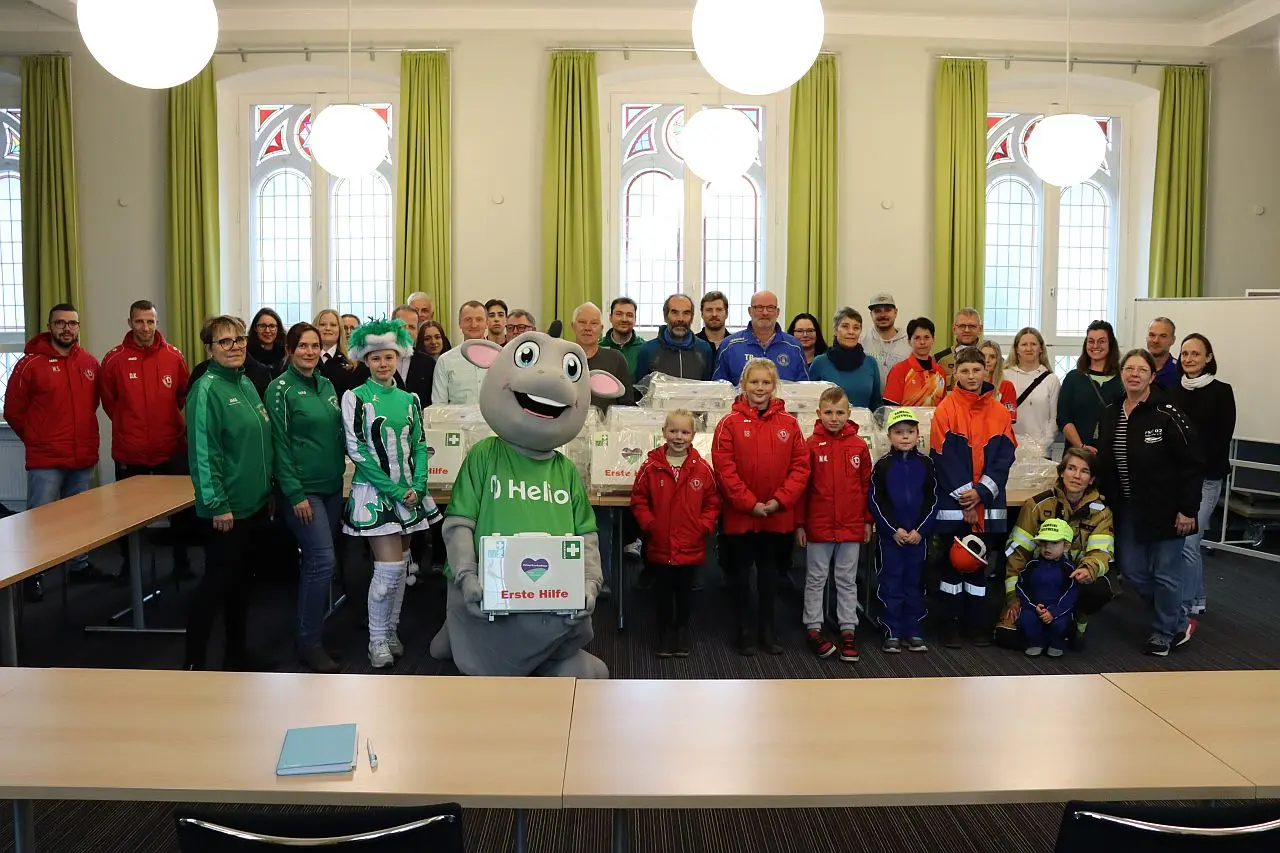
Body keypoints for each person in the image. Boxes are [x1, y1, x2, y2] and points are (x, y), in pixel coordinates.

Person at [427, 332, 624, 678]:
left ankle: (493, 649)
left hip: (550, 598)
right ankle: (460, 637)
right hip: (490, 596)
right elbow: (459, 523)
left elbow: (586, 536)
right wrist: (466, 574)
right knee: (479, 644)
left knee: (590, 672)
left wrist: (590, 583)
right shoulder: (484, 455)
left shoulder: (565, 470)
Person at [342, 318, 443, 668]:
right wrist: (395, 490)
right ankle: (376, 639)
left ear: (398, 357)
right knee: (388, 570)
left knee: (400, 569)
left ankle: (391, 630)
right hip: (376, 494)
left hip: (410, 495)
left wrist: (418, 485)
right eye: (376, 358)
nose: (383, 364)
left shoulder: (409, 399)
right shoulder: (355, 398)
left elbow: (420, 444)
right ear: (365, 360)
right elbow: (357, 450)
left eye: (389, 357)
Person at [1097, 349, 1204, 657]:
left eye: (1141, 370)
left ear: (1152, 376)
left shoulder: (1167, 413)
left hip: (1167, 509)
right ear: (1121, 374)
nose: (1134, 374)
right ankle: (1178, 618)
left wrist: (1188, 509)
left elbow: (1192, 464)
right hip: (1127, 508)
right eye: (1129, 369)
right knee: (1131, 571)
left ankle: (1164, 632)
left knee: (1166, 575)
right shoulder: (1111, 411)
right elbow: (1105, 459)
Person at [184, 315, 273, 671]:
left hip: (254, 504)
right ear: (210, 349)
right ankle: (193, 663)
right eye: (225, 341)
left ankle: (236, 656)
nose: (234, 346)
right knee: (215, 587)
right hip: (227, 510)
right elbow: (203, 454)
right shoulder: (206, 390)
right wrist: (217, 503)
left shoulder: (247, 383)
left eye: (239, 339)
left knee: (242, 585)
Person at [4, 303, 106, 599]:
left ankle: (79, 566)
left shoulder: (89, 362)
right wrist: (37, 439)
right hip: (46, 459)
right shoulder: (29, 364)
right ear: (49, 326)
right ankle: (32, 576)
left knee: (79, 517)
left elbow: (92, 405)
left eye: (72, 323)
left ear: (78, 327)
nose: (66, 328)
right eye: (60, 323)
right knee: (40, 520)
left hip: (81, 455)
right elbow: (13, 410)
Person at [712, 358, 810, 656]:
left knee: (770, 575)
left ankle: (768, 629)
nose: (760, 388)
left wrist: (779, 500)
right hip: (740, 515)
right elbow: (724, 469)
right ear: (743, 385)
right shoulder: (728, 424)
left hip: (776, 516)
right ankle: (744, 629)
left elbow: (800, 468)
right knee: (741, 575)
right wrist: (749, 503)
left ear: (774, 386)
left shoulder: (789, 424)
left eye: (766, 382)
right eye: (754, 382)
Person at [267, 322, 346, 673]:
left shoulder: (326, 385)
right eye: (303, 346)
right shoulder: (279, 389)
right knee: (321, 562)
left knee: (321, 563)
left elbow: (338, 434)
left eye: (315, 345)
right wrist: (294, 493)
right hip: (303, 492)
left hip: (332, 487)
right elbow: (279, 444)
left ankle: (313, 634)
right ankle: (308, 643)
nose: (310, 351)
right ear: (290, 350)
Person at [99, 299, 192, 581]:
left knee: (180, 513)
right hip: (131, 451)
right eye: (139, 321)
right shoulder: (113, 359)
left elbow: (182, 395)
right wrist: (131, 425)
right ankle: (130, 568)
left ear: (156, 322)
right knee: (129, 515)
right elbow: (110, 402)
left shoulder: (174, 356)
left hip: (170, 447)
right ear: (130, 323)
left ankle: (182, 563)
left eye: (150, 321)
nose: (145, 327)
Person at [930, 347, 1016, 648]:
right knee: (951, 568)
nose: (971, 376)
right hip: (954, 507)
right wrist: (967, 497)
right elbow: (942, 458)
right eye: (964, 371)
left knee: (980, 568)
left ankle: (977, 625)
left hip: (987, 506)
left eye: (976, 370)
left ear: (986, 371)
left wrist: (980, 493)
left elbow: (1004, 458)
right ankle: (949, 626)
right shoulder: (945, 410)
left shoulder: (1000, 412)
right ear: (955, 373)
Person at [998, 447, 1115, 651]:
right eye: (1071, 468)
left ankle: (1076, 618)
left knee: (1099, 589)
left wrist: (1089, 568)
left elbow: (1101, 552)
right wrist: (1013, 599)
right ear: (1061, 472)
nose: (1076, 476)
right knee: (1006, 638)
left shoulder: (1101, 513)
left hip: (1072, 580)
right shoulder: (1036, 505)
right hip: (1037, 580)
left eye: (1084, 471)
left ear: (1092, 479)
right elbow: (1017, 555)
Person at [631, 409, 721, 658]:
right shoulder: (651, 467)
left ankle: (681, 631)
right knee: (662, 592)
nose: (678, 437)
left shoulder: (702, 469)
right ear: (664, 432)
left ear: (693, 435)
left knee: (684, 593)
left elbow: (712, 503)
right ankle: (663, 632)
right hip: (659, 544)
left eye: (684, 432)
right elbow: (639, 500)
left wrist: (703, 525)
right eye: (673, 431)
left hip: (690, 545)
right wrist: (650, 525)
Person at [795, 386, 873, 662]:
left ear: (849, 413)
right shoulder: (809, 445)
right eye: (828, 412)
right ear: (818, 413)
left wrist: (867, 520)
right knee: (816, 578)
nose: (834, 418)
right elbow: (802, 489)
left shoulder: (859, 446)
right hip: (819, 526)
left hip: (851, 526)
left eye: (840, 412)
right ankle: (813, 627)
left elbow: (866, 487)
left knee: (847, 579)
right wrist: (800, 524)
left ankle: (848, 628)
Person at [1170, 333, 1235, 616]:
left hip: (1206, 479)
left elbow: (1220, 439)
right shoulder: (1173, 393)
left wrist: (1190, 462)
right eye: (1185, 353)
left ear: (1208, 357)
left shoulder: (1222, 392)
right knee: (1180, 543)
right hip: (1177, 480)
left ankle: (1187, 604)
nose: (1189, 359)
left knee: (1189, 542)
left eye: (1195, 353)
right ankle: (1196, 597)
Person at [870, 408, 938, 653]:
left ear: (918, 434)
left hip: (918, 538)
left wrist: (921, 530)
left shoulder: (927, 464)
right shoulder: (882, 466)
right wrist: (892, 530)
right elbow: (876, 501)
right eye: (899, 432)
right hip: (892, 539)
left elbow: (933, 500)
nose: (905, 436)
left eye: (910, 431)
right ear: (889, 436)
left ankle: (913, 630)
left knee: (915, 583)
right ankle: (892, 631)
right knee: (891, 582)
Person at [1012, 519, 1080, 658]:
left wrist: (1054, 612)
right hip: (1035, 607)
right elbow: (1022, 587)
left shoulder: (1069, 569)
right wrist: (1033, 606)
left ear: (1066, 546)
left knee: (1061, 624)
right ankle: (1036, 642)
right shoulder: (1032, 565)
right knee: (1026, 619)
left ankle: (1056, 643)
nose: (1047, 547)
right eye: (1044, 542)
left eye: (1054, 543)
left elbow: (1071, 595)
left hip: (1058, 611)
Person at [712, 291, 809, 384]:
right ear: (750, 311)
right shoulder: (729, 346)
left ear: (777, 312)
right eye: (759, 307)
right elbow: (719, 389)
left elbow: (804, 389)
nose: (765, 312)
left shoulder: (794, 347)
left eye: (770, 307)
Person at [1058, 320, 1123, 455]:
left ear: (1111, 344)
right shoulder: (1073, 378)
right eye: (1091, 341)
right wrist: (1081, 447)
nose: (1095, 346)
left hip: (1112, 455)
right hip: (1077, 454)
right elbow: (1063, 418)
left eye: (1101, 341)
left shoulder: (1122, 379)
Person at [808, 307, 883, 410]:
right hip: (829, 420)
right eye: (845, 327)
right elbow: (809, 403)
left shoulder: (870, 362)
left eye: (856, 328)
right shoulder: (820, 362)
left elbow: (876, 404)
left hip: (864, 420)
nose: (851, 332)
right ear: (835, 330)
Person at [633, 294, 715, 387]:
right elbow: (640, 391)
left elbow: (708, 390)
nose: (680, 319)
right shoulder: (648, 350)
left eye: (686, 313)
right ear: (665, 316)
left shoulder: (704, 349)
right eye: (675, 312)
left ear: (692, 318)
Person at [1005, 327, 1060, 455]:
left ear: (1040, 348)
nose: (1029, 348)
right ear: (1016, 349)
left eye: (1033, 344)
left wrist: (1042, 446)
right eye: (1024, 344)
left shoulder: (1051, 379)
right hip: (1009, 450)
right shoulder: (1005, 376)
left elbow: (1054, 419)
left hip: (1041, 451)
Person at [430, 301, 489, 405]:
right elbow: (439, 405)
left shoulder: (500, 358)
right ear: (460, 323)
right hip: (456, 416)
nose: (474, 324)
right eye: (468, 320)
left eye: (479, 319)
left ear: (487, 323)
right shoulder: (445, 361)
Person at [882, 317, 947, 407]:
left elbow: (943, 407)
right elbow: (890, 408)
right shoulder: (898, 370)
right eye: (917, 338)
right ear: (909, 341)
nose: (922, 342)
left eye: (927, 337)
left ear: (933, 339)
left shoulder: (940, 372)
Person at [389, 304, 435, 407]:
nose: (407, 331)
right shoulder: (377, 361)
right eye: (402, 326)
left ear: (417, 332)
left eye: (412, 327)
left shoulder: (428, 363)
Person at [314, 308, 364, 397]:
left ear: (340, 329)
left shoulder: (355, 361)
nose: (328, 328)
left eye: (333, 325)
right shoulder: (306, 358)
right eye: (322, 324)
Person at [864, 293, 910, 389]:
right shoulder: (861, 340)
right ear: (871, 314)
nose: (883, 315)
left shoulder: (910, 341)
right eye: (877, 311)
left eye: (887, 310)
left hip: (904, 398)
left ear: (895, 312)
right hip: (871, 398)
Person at [935, 308, 983, 386]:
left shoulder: (991, 357)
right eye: (962, 326)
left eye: (972, 326)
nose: (967, 330)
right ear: (954, 329)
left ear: (980, 329)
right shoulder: (939, 359)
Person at [600, 297, 645, 377]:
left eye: (629, 315)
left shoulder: (644, 348)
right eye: (619, 314)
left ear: (635, 319)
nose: (624, 319)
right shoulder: (599, 347)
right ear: (610, 317)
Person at [979, 340, 1018, 422]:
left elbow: (1009, 417)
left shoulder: (1006, 386)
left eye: (992, 357)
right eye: (983, 356)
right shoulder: (968, 384)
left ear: (998, 361)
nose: (987, 360)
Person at [247, 308, 287, 376]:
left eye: (272, 326)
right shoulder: (246, 352)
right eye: (262, 326)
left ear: (278, 328)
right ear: (255, 328)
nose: (267, 331)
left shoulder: (285, 351)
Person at [1146, 316, 1180, 388]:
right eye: (1152, 335)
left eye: (1163, 336)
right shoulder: (1135, 370)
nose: (1156, 340)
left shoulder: (1179, 371)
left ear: (1173, 340)